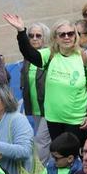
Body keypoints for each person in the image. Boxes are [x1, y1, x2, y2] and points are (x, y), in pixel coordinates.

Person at [5, 14, 87, 143]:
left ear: (75, 36)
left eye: (70, 34)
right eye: (62, 34)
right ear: (55, 38)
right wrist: (21, 31)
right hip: (53, 119)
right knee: (59, 157)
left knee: (77, 157)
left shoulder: (83, 57)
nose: (67, 37)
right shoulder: (50, 55)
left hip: (77, 120)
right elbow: (29, 54)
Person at [15, 20, 53, 165]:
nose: (34, 39)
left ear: (46, 38)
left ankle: (40, 170)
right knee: (44, 139)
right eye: (31, 36)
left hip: (48, 107)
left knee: (41, 140)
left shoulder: (49, 56)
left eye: (38, 36)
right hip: (35, 107)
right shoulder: (28, 58)